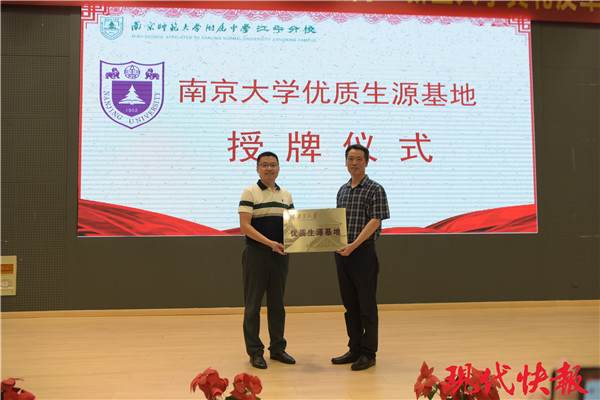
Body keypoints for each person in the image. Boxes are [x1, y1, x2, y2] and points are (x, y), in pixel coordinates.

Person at [331, 144, 390, 371]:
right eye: (350, 158)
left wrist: (353, 245)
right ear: (345, 161)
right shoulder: (342, 190)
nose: (354, 163)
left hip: (363, 253)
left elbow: (375, 221)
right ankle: (354, 348)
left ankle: (369, 353)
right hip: (342, 254)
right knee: (350, 306)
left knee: (367, 306)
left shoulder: (375, 189)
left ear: (367, 161)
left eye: (359, 159)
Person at [238, 151, 296, 369]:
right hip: (256, 255)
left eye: (273, 164)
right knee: (253, 305)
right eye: (264, 165)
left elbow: (294, 227)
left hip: (280, 256)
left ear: (278, 168)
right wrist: (270, 243)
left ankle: (278, 349)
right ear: (257, 169)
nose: (269, 168)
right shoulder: (250, 192)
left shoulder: (286, 195)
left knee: (277, 305)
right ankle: (255, 352)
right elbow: (245, 226)